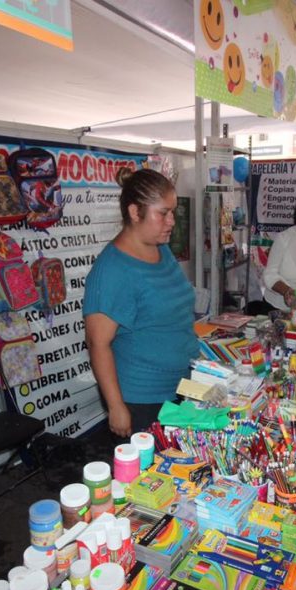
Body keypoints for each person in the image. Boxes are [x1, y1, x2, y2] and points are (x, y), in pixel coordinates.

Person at [83, 169, 196, 438]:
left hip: (182, 385)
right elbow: (98, 344)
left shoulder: (161, 249)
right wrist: (116, 406)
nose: (171, 222)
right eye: (163, 213)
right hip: (144, 400)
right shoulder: (112, 270)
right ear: (135, 213)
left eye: (173, 212)